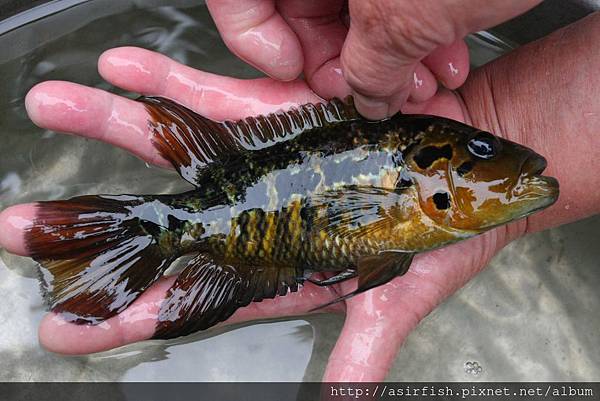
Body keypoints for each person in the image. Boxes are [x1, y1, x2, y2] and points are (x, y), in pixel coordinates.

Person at [0, 2, 599, 382]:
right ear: (432, 176)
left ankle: (90, 265)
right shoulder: (417, 200)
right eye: (484, 155)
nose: (508, 165)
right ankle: (110, 253)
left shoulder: (427, 205)